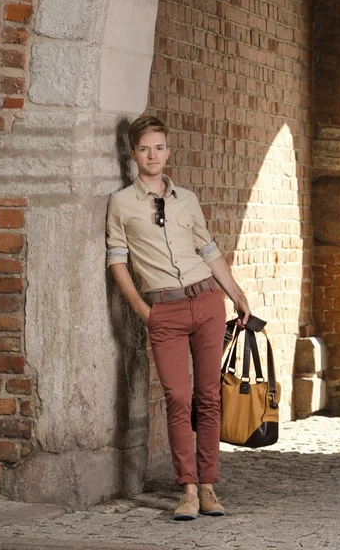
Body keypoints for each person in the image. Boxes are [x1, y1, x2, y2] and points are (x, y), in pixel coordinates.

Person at [106, 115, 251, 521]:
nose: (152, 155)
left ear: (168, 152)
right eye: (143, 149)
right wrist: (143, 311)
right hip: (163, 310)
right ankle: (186, 488)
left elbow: (208, 250)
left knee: (208, 397)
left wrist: (235, 294)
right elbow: (117, 260)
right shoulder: (120, 204)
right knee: (178, 397)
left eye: (158, 147)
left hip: (206, 303)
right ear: (133, 155)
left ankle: (208, 487)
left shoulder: (186, 199)